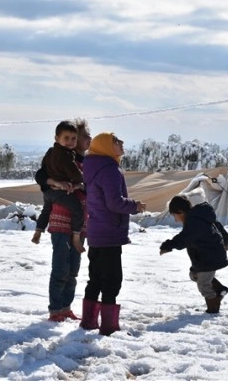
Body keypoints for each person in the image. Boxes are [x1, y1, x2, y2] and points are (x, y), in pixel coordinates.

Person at [79, 132, 146, 335]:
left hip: (97, 233)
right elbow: (114, 203)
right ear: (107, 147)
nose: (122, 143)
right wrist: (136, 205)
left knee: (96, 278)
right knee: (112, 280)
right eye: (117, 141)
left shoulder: (94, 168)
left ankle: (89, 321)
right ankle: (108, 325)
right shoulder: (110, 170)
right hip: (109, 232)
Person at [35, 118, 91, 322]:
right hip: (61, 219)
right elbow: (40, 176)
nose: (87, 140)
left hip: (80, 223)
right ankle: (55, 309)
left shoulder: (87, 162)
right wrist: (55, 182)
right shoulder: (60, 158)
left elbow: (90, 186)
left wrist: (81, 186)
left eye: (78, 137)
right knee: (60, 268)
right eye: (84, 136)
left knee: (73, 269)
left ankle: (66, 307)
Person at [159, 191, 228, 314]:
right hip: (205, 256)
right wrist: (225, 238)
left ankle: (213, 307)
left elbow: (184, 239)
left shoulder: (194, 222)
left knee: (203, 284)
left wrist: (168, 245)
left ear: (181, 212)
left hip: (209, 257)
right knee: (195, 275)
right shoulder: (199, 217)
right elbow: (216, 225)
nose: (176, 220)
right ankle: (219, 290)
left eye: (174, 216)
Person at [31, 120, 85, 251]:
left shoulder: (50, 151)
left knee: (45, 210)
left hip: (48, 192)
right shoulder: (67, 155)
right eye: (66, 138)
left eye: (74, 138)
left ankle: (38, 231)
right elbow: (75, 174)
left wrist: (51, 181)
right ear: (57, 138)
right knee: (78, 210)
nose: (70, 141)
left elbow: (43, 169)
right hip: (60, 193)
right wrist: (80, 180)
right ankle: (77, 237)